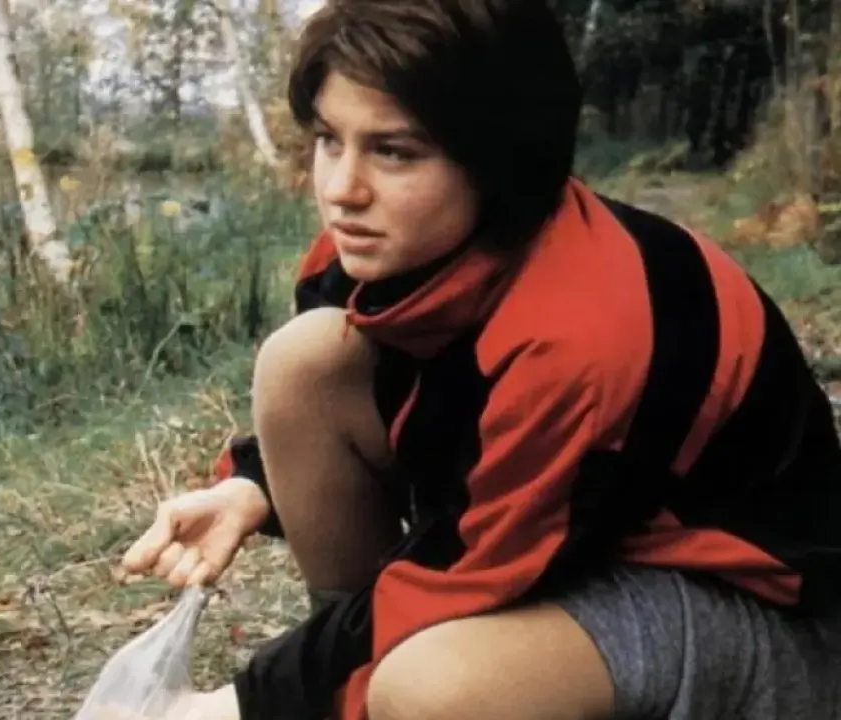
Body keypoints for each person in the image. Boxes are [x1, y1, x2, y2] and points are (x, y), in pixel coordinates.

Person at [119, 0, 841, 718]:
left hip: (761, 615)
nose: (342, 190)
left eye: (395, 151)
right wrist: (253, 486)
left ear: (497, 159)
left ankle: (355, 689)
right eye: (330, 139)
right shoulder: (390, 243)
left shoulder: (578, 339)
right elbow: (443, 429)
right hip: (586, 534)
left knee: (433, 686)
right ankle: (343, 678)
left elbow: (456, 573)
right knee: (304, 359)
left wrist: (242, 706)